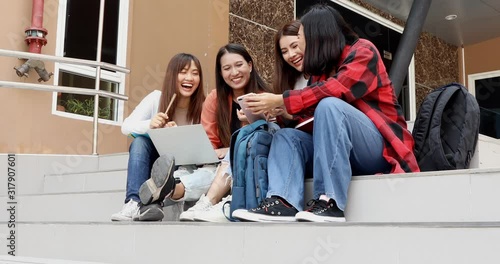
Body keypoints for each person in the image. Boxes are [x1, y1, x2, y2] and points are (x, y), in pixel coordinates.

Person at [233, 4, 420, 223]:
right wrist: (281, 113)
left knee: (329, 105)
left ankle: (330, 201)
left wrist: (281, 99)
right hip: (343, 152)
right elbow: (314, 119)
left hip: (381, 149)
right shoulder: (320, 71)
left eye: (301, 39)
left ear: (318, 35)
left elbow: (338, 89)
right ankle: (283, 201)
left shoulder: (363, 51)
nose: (300, 47)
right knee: (286, 136)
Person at [140, 43, 272, 222]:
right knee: (200, 172)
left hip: (248, 161)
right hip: (216, 162)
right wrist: (220, 152)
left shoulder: (265, 97)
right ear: (221, 73)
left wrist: (248, 125)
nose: (234, 72)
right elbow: (209, 144)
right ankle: (165, 189)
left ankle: (167, 191)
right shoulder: (215, 99)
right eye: (227, 68)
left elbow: (270, 136)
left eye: (239, 65)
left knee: (216, 169)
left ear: (250, 65)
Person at [111, 53, 205, 221]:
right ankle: (134, 202)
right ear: (172, 75)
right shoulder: (156, 98)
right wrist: (150, 125)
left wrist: (177, 137)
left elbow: (202, 151)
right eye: (183, 72)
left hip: (182, 167)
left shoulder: (204, 107)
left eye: (195, 73)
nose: (189, 78)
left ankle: (153, 201)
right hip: (154, 160)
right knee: (139, 142)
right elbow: (126, 126)